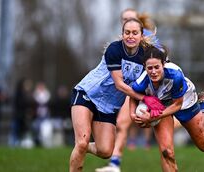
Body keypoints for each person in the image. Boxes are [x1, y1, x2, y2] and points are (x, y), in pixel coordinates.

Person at [69, 18, 165, 172]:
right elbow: (120, 85)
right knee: (82, 142)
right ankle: (80, 146)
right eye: (127, 32)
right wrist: (146, 99)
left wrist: (138, 111)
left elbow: (142, 86)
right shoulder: (114, 50)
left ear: (141, 35)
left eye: (135, 33)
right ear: (122, 34)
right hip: (87, 95)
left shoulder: (146, 57)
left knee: (106, 151)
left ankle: (81, 147)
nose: (131, 36)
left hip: (108, 107)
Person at [129, 46, 204, 171]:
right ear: (144, 67)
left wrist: (152, 117)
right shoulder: (141, 81)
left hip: (184, 100)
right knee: (166, 152)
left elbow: (177, 105)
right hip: (160, 104)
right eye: (149, 68)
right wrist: (133, 115)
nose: (153, 71)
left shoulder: (175, 76)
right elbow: (132, 96)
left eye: (157, 67)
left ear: (163, 64)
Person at [95, 8, 160, 172]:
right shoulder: (121, 43)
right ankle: (115, 164)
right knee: (123, 124)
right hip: (127, 91)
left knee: (164, 121)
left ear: (138, 22)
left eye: (130, 18)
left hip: (145, 91)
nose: (126, 21)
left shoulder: (149, 42)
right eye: (124, 19)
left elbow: (159, 62)